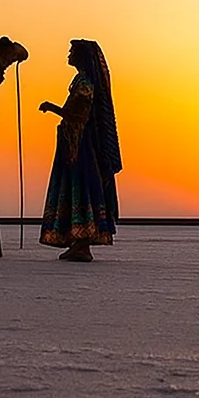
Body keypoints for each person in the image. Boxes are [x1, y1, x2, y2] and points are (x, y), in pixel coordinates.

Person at [38, 39, 121, 261]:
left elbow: (77, 114)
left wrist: (52, 108)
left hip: (80, 146)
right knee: (76, 188)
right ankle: (78, 241)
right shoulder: (81, 81)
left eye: (72, 51)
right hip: (73, 143)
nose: (68, 54)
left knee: (80, 188)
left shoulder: (84, 83)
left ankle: (83, 243)